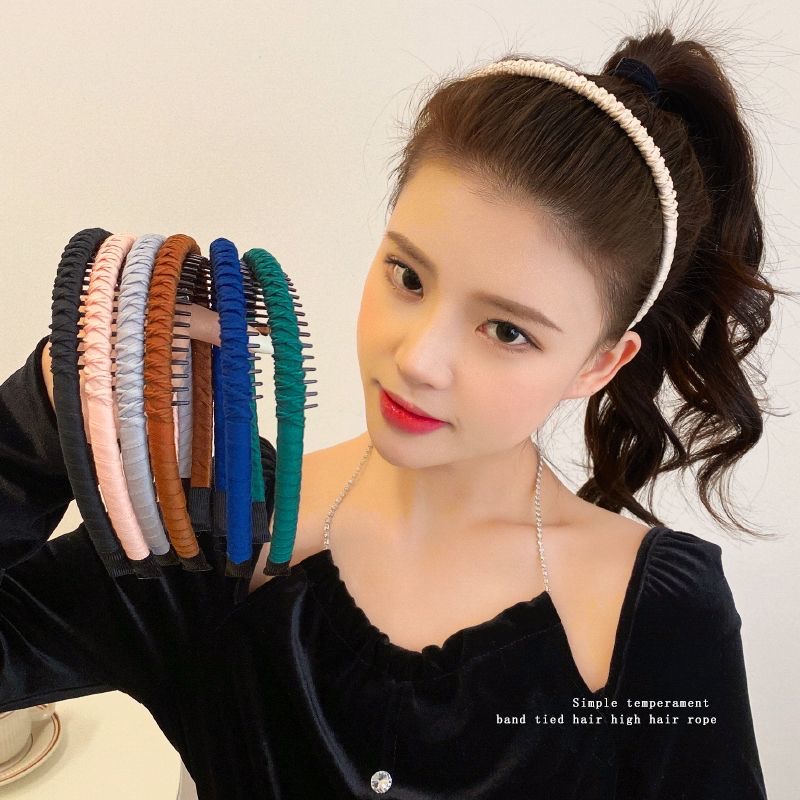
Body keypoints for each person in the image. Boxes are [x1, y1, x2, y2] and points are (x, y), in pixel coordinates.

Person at [1, 23, 780, 799]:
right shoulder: (210, 535)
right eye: (408, 277)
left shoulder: (656, 615)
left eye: (507, 331)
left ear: (598, 364)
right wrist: (52, 400)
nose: (417, 359)